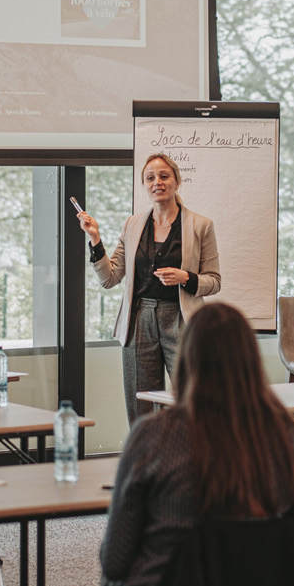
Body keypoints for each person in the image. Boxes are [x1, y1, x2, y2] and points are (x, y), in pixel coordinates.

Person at [98, 302, 294, 586]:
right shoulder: (291, 439)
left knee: (111, 585)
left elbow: (115, 560)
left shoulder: (153, 438)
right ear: (251, 361)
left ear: (187, 359)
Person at [78, 152, 221, 424]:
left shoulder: (201, 225)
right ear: (144, 185)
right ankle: (146, 462)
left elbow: (214, 281)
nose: (158, 182)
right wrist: (95, 239)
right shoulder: (133, 225)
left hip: (181, 320)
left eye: (164, 176)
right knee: (140, 403)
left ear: (177, 182)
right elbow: (110, 278)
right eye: (150, 177)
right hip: (139, 320)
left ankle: (193, 460)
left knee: (191, 401)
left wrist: (185, 277)